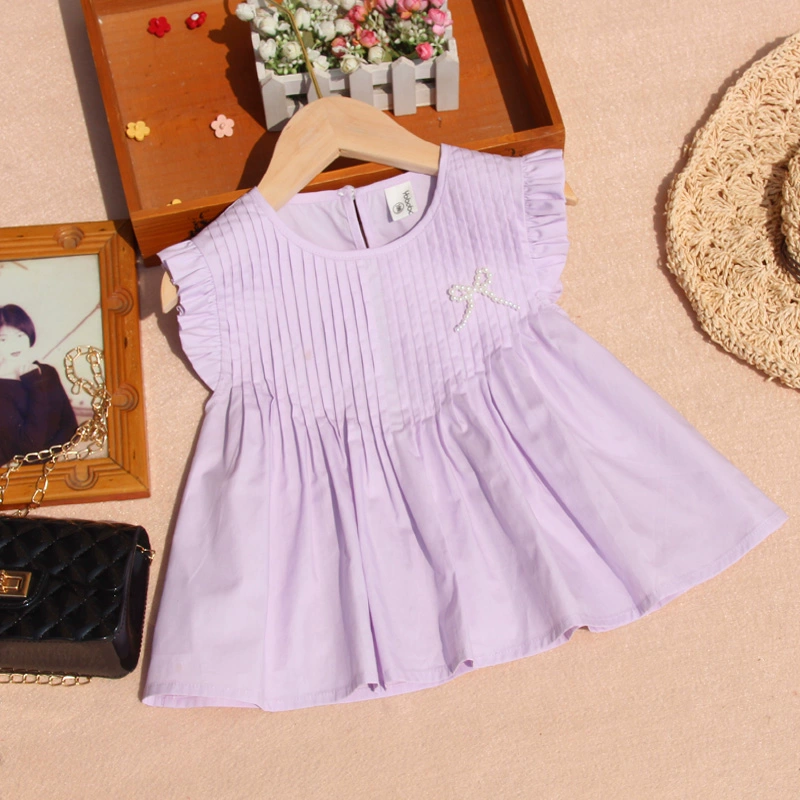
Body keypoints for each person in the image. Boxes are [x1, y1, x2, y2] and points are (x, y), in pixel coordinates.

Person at [0, 304, 78, 465]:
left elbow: (70, 427)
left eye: (20, 335)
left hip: (53, 466)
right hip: (17, 474)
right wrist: (35, 385)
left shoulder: (47, 372)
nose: (14, 344)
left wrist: (51, 460)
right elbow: (29, 445)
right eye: (3, 339)